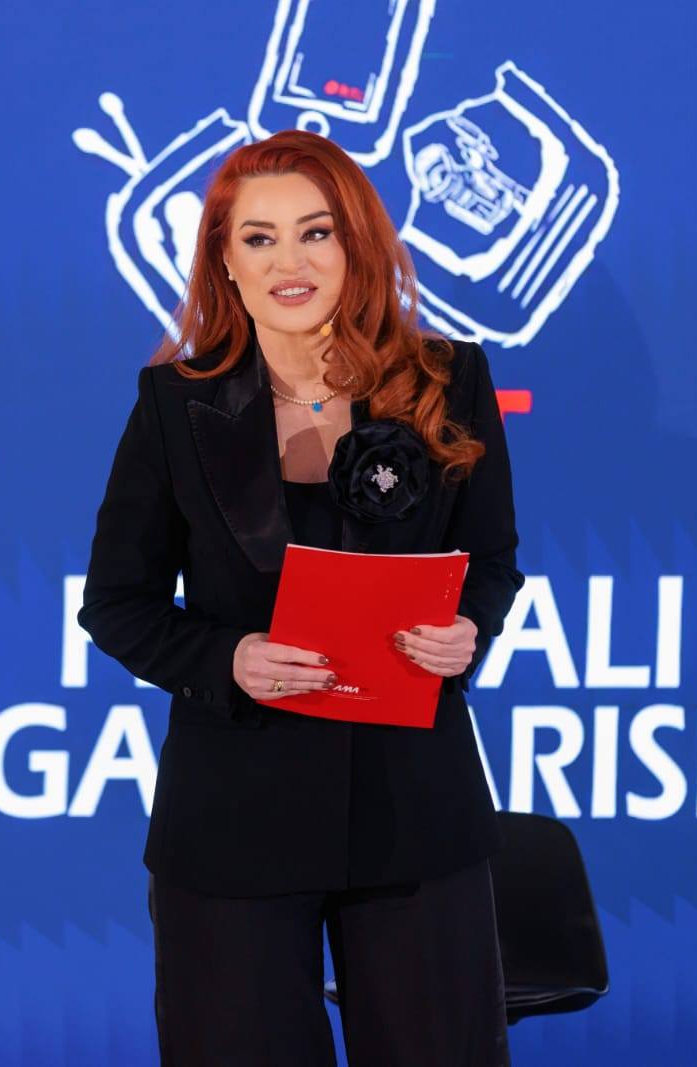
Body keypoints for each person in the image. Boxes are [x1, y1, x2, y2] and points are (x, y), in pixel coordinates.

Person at [77, 129, 524, 1065]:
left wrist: (469, 628)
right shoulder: (172, 405)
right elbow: (117, 601)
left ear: (357, 247)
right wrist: (228, 658)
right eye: (260, 238)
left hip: (415, 807)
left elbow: (490, 560)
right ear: (225, 264)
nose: (292, 261)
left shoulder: (448, 381)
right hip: (234, 815)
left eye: (317, 232)